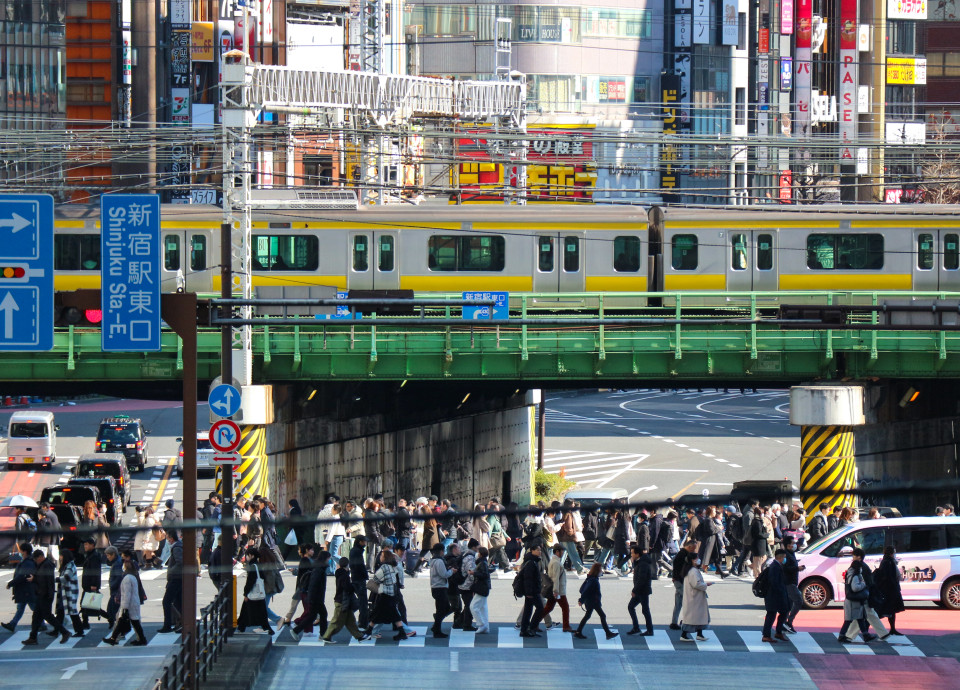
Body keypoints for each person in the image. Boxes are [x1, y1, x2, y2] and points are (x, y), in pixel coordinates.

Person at [24, 550, 71, 645]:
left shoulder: (47, 565)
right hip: (41, 593)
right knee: (36, 616)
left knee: (47, 616)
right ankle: (33, 637)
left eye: (36, 559)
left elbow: (45, 580)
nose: (36, 561)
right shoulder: (42, 564)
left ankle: (64, 632)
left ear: (41, 556)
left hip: (45, 594)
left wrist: (34, 579)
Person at [363, 550, 407, 641]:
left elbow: (376, 578)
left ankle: (368, 631)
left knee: (377, 612)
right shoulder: (392, 566)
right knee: (394, 614)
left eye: (381, 556)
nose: (380, 557)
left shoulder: (384, 567)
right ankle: (402, 632)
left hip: (385, 593)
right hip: (392, 593)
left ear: (385, 558)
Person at [102, 560, 147, 646]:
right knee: (132, 622)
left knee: (128, 621)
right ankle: (114, 638)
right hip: (133, 603)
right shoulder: (133, 576)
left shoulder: (127, 578)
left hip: (129, 604)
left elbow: (127, 593)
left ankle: (114, 638)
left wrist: (125, 607)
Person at [291, 551, 331, 640]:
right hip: (316, 597)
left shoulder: (318, 567)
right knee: (320, 615)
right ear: (325, 558)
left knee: (314, 616)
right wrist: (312, 597)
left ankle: (297, 630)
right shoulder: (319, 569)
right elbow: (314, 585)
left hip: (315, 597)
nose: (329, 560)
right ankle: (323, 634)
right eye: (328, 558)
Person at [573, 562, 617, 640]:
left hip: (590, 601)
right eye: (600, 570)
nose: (602, 571)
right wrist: (581, 600)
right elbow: (586, 591)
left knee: (587, 616)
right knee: (602, 616)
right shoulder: (594, 580)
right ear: (597, 571)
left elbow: (582, 589)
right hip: (594, 601)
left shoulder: (590, 578)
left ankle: (578, 632)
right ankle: (608, 633)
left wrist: (582, 600)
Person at [237, 548, 274, 634]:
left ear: (251, 555)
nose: (246, 557)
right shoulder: (258, 564)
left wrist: (246, 593)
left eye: (247, 555)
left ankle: (241, 627)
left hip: (253, 593)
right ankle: (241, 627)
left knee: (246, 611)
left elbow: (250, 581)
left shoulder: (253, 566)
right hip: (259, 593)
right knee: (258, 612)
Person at [279, 542, 315, 631]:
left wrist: (295, 571)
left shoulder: (305, 560)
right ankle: (289, 619)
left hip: (302, 586)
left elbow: (303, 572)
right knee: (305, 605)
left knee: (297, 603)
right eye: (311, 550)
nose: (313, 551)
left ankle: (289, 619)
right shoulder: (307, 560)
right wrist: (295, 571)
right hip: (304, 586)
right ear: (307, 550)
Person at [2, 543, 37, 632]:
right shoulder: (26, 561)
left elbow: (21, 576)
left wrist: (11, 583)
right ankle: (12, 624)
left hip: (26, 590)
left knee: (34, 608)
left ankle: (45, 623)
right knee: (22, 608)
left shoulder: (28, 562)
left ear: (24, 551)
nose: (19, 552)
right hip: (24, 590)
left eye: (20, 551)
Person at [678, 550, 712, 642]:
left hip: (695, 597)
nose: (698, 560)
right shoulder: (693, 571)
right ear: (692, 560)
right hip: (694, 597)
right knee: (692, 617)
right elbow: (696, 584)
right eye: (697, 558)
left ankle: (699, 634)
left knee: (698, 616)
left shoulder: (691, 570)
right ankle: (684, 635)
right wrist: (706, 584)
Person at [874, 546, 905, 636]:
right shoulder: (888, 562)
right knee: (884, 610)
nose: (895, 554)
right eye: (894, 552)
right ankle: (890, 629)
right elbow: (889, 577)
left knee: (890, 610)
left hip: (889, 589)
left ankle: (892, 629)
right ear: (891, 553)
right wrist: (894, 586)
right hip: (890, 590)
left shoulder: (887, 561)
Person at [762, 549, 791, 643]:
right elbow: (774, 582)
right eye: (784, 557)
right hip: (774, 595)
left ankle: (778, 632)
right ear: (781, 557)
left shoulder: (776, 565)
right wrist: (781, 592)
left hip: (775, 595)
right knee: (772, 614)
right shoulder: (775, 567)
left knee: (783, 612)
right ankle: (767, 635)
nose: (785, 559)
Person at [541, 544, 572, 633]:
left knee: (548, 608)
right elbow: (555, 578)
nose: (563, 553)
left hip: (556, 589)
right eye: (562, 551)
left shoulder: (555, 561)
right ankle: (566, 626)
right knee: (565, 608)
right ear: (557, 551)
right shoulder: (556, 563)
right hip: (558, 590)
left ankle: (534, 623)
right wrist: (556, 591)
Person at [626, 546, 655, 636]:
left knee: (645, 610)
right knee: (631, 607)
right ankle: (636, 628)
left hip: (643, 590)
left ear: (637, 554)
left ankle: (649, 630)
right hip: (640, 590)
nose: (631, 555)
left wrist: (634, 590)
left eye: (632, 553)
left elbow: (641, 578)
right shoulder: (639, 561)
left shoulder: (643, 563)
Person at [158, 531, 183, 634]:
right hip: (179, 578)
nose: (167, 540)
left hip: (175, 578)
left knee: (167, 601)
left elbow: (180, 562)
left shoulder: (176, 548)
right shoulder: (179, 546)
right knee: (178, 601)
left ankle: (168, 624)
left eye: (168, 538)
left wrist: (171, 570)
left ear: (171, 538)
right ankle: (179, 622)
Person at [428, 543, 455, 638]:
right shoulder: (439, 561)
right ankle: (436, 628)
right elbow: (444, 574)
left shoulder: (433, 560)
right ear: (441, 551)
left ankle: (436, 626)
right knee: (442, 609)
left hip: (436, 587)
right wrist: (451, 571)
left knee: (443, 608)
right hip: (440, 587)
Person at [55, 549, 83, 637]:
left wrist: (54, 579)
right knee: (60, 611)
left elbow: (66, 578)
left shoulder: (70, 566)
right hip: (65, 591)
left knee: (72, 612)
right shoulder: (66, 565)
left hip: (69, 592)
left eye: (61, 556)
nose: (60, 558)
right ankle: (57, 630)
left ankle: (79, 631)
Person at [670, 540, 697, 630]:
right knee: (688, 601)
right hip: (680, 581)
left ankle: (674, 622)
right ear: (689, 547)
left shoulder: (682, 554)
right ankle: (687, 621)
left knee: (678, 603)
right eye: (693, 548)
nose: (694, 550)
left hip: (678, 580)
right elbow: (681, 570)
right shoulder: (683, 555)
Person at [781, 535, 805, 632]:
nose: (795, 545)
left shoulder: (791, 553)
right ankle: (788, 622)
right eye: (793, 543)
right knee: (798, 601)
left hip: (792, 582)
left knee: (789, 604)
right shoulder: (786, 555)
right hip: (789, 582)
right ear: (788, 545)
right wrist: (797, 568)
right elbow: (785, 569)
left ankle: (784, 623)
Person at [79, 538, 103, 630]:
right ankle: (85, 622)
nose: (85, 546)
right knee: (88, 604)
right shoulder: (89, 555)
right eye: (85, 544)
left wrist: (94, 584)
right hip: (87, 585)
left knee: (88, 604)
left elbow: (95, 571)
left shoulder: (94, 556)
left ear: (93, 545)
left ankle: (85, 623)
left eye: (87, 544)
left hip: (90, 585)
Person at [558, 501, 585, 575]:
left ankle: (557, 568)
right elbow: (568, 527)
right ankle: (580, 569)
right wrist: (571, 534)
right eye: (572, 503)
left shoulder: (565, 512)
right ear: (569, 505)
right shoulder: (569, 514)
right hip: (568, 537)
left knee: (564, 553)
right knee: (573, 553)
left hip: (564, 537)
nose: (574, 505)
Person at [349, 535, 370, 629]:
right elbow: (359, 566)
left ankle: (362, 621)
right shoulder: (357, 551)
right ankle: (363, 622)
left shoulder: (354, 551)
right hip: (359, 578)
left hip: (355, 577)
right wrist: (365, 575)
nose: (365, 543)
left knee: (361, 601)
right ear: (360, 542)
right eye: (364, 541)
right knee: (363, 602)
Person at [469, 547, 491, 634]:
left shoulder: (482, 563)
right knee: (483, 608)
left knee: (473, 607)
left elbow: (484, 575)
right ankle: (485, 626)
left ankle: (481, 624)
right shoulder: (483, 562)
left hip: (481, 588)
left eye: (478, 552)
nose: (476, 554)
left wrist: (474, 573)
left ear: (480, 554)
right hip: (483, 588)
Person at [457, 539, 478, 631]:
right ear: (474, 547)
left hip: (463, 583)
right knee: (469, 605)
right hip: (467, 585)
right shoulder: (470, 557)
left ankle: (459, 622)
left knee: (468, 604)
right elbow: (470, 571)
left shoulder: (465, 554)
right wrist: (475, 581)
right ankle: (467, 625)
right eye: (477, 546)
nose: (478, 548)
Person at [325, 505, 346, 575]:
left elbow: (332, 530)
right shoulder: (340, 517)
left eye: (332, 508)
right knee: (331, 554)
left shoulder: (335, 518)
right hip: (340, 537)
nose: (331, 510)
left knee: (333, 555)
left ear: (335, 510)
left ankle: (345, 564)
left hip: (336, 537)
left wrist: (327, 539)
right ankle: (331, 570)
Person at [104, 546, 122, 627]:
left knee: (112, 610)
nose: (108, 557)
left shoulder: (117, 563)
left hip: (116, 591)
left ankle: (115, 625)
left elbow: (118, 578)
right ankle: (113, 623)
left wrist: (112, 585)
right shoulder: (116, 562)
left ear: (113, 554)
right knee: (111, 610)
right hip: (115, 590)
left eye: (108, 555)